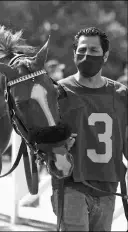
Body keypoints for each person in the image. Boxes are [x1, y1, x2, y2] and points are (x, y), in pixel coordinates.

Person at [51, 27, 128, 231]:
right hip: (70, 186)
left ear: (106, 55)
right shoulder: (57, 93)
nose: (87, 56)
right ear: (74, 53)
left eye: (94, 51)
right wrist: (58, 147)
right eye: (82, 50)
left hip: (108, 189)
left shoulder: (121, 95)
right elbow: (42, 145)